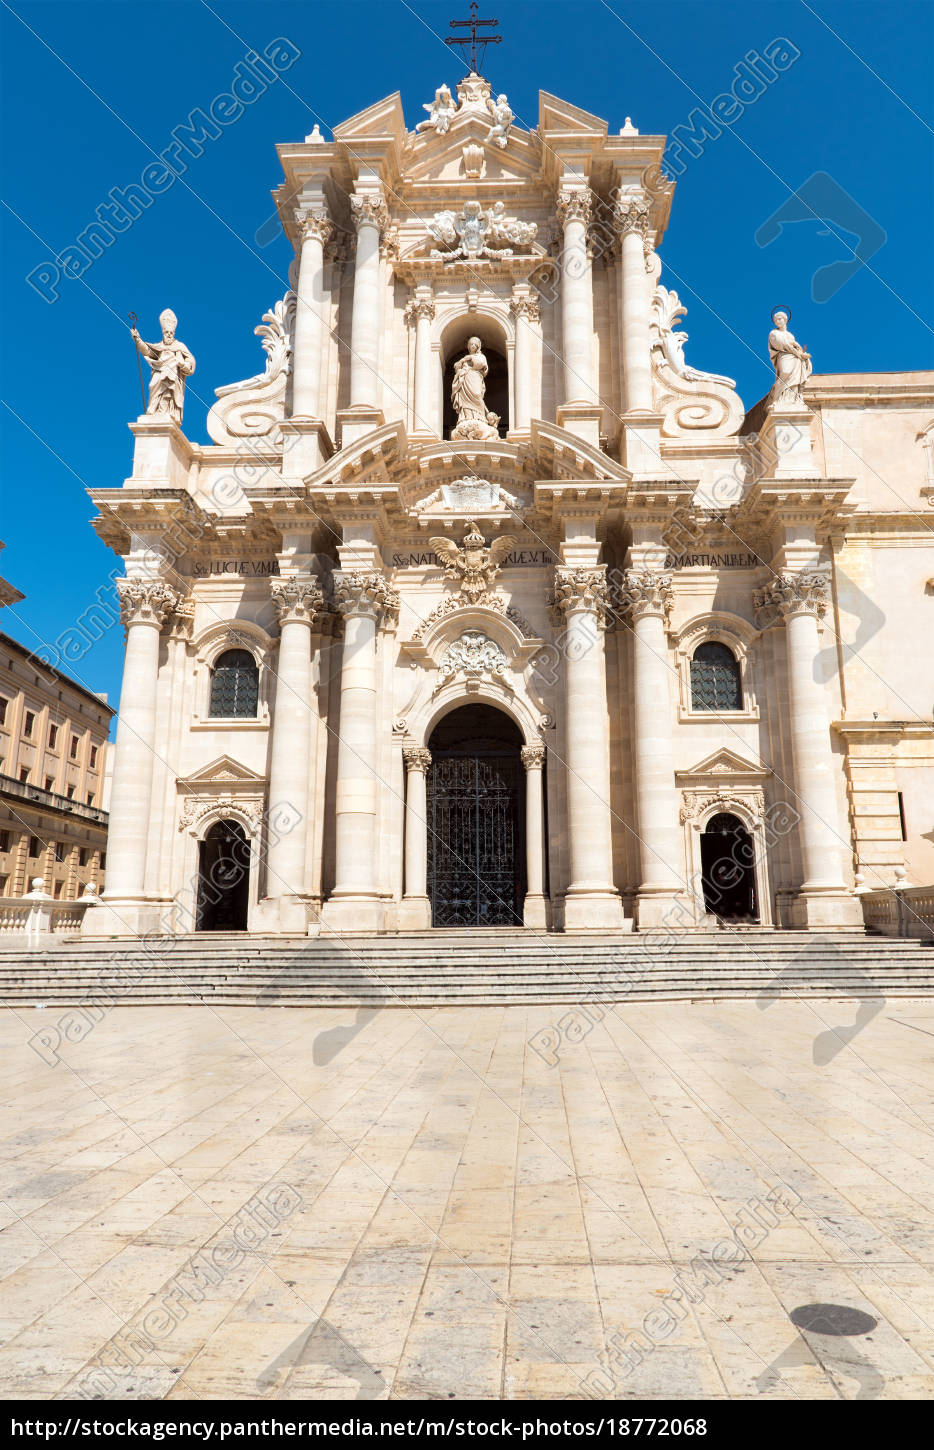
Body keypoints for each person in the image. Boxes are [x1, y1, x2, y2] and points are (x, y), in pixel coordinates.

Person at [132, 308, 196, 424]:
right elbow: (147, 351)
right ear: (163, 333)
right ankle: (155, 411)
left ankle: (168, 413)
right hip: (159, 374)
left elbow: (190, 361)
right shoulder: (159, 347)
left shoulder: (180, 346)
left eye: (171, 333)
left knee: (169, 393)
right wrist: (138, 340)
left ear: (174, 333)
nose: (169, 335)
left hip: (174, 377)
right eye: (167, 333)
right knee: (154, 387)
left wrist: (182, 364)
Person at [768, 311, 811, 407]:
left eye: (779, 319)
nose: (777, 321)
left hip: (795, 359)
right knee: (785, 372)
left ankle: (792, 398)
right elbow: (781, 344)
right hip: (784, 356)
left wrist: (802, 353)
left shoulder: (790, 335)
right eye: (775, 320)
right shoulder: (773, 333)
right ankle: (778, 398)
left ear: (785, 320)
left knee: (794, 378)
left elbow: (796, 346)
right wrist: (797, 351)